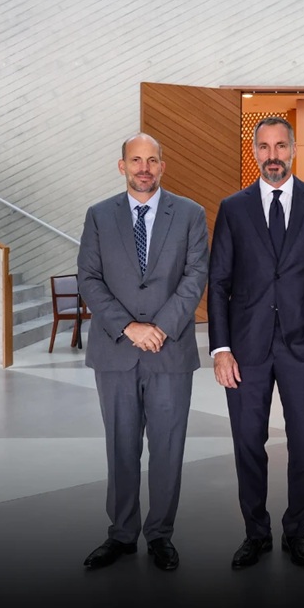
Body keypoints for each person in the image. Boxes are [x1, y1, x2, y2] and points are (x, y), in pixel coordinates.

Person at [207, 117, 304, 570]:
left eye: (281, 146)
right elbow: (218, 283)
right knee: (248, 440)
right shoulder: (233, 207)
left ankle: (297, 532)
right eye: (265, 147)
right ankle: (255, 532)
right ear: (254, 152)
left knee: (303, 441)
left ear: (294, 149)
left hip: (303, 345)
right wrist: (221, 348)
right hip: (245, 350)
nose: (273, 155)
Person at [77, 133, 209, 571]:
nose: (144, 168)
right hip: (116, 350)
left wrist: (160, 328)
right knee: (121, 445)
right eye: (136, 160)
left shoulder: (190, 214)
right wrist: (130, 327)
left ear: (162, 165)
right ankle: (121, 534)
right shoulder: (99, 216)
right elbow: (89, 279)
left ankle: (160, 535)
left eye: (152, 160)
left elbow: (195, 277)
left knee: (168, 447)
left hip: (169, 352)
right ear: (122, 166)